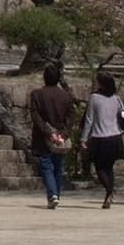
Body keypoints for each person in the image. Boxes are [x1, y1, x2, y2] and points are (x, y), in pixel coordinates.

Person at [24, 61, 82, 208]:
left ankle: (52, 194)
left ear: (45, 78)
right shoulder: (66, 96)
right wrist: (64, 134)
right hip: (61, 137)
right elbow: (71, 117)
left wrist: (49, 133)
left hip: (43, 136)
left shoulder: (37, 94)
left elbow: (36, 116)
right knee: (58, 166)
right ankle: (56, 194)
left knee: (46, 165)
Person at [81, 70, 124, 208]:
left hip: (99, 137)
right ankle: (110, 192)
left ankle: (109, 191)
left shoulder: (94, 98)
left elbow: (89, 119)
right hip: (115, 137)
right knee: (109, 167)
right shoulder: (116, 98)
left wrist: (84, 138)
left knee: (100, 168)